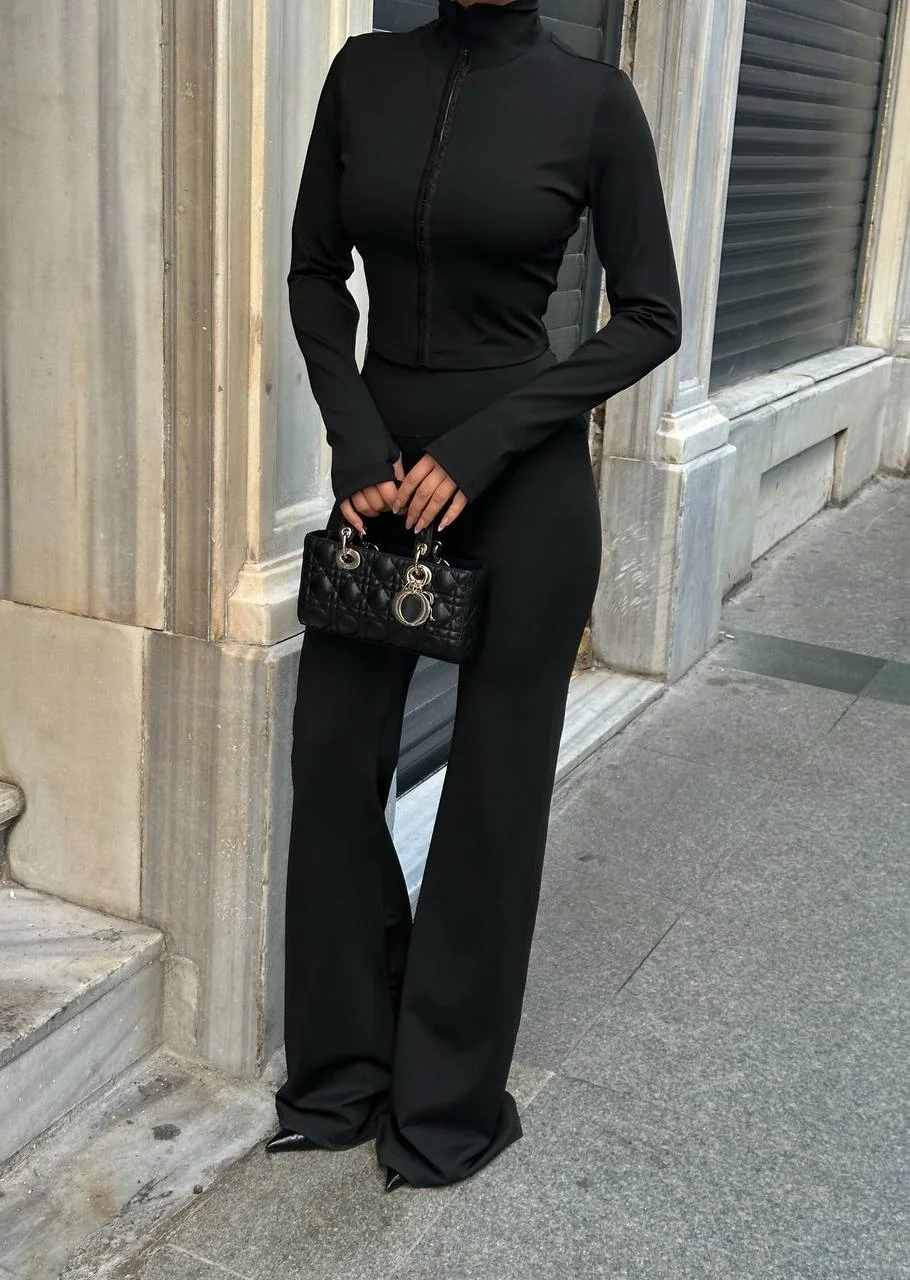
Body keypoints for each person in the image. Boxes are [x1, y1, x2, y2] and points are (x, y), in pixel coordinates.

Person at [265, 0, 682, 1191]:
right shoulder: (362, 72)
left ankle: (443, 1095)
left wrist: (485, 442)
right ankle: (344, 1067)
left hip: (521, 481)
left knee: (491, 796)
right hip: (380, 479)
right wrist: (355, 440)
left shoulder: (592, 100)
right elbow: (313, 273)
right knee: (332, 756)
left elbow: (650, 315)